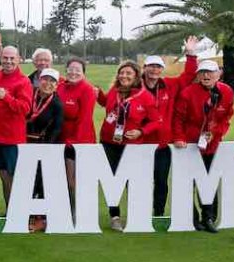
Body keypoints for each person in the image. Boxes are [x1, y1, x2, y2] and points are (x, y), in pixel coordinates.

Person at [172, 60, 234, 233]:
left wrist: (216, 133)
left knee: (209, 181)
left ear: (218, 74)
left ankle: (208, 217)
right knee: (188, 183)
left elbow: (226, 117)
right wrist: (179, 137)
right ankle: (190, 218)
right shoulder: (188, 93)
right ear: (198, 75)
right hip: (189, 145)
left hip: (212, 145)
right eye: (202, 72)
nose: (206, 76)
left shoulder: (227, 91)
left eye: (210, 72)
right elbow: (178, 118)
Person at [139, 38, 199, 217]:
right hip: (140, 144)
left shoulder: (170, 85)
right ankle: (140, 212)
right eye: (151, 66)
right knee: (139, 179)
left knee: (161, 181)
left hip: (163, 144)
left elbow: (188, 76)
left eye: (158, 67)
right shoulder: (136, 87)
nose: (154, 70)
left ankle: (158, 213)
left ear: (161, 69)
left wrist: (191, 54)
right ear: (145, 68)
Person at [98, 61, 160, 231]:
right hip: (108, 143)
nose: (124, 76)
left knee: (130, 182)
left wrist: (141, 131)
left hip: (131, 146)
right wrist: (98, 94)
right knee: (112, 181)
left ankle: (136, 216)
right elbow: (107, 104)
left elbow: (156, 121)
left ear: (136, 77)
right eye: (122, 73)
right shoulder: (114, 92)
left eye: (128, 74)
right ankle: (115, 216)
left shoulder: (145, 96)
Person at [0, 46, 32, 214]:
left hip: (13, 139)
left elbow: (25, 109)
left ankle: (16, 214)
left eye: (12, 58)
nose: (8, 61)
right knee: (3, 178)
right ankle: (10, 214)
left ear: (18, 59)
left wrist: (6, 97)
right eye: (5, 58)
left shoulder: (23, 81)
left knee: (13, 179)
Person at [26, 68, 64, 232]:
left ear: (56, 85)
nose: (48, 84)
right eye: (45, 80)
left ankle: (40, 218)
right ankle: (26, 213)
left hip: (44, 145)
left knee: (40, 182)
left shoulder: (57, 104)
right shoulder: (31, 94)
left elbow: (56, 128)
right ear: (39, 80)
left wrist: (46, 148)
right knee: (27, 180)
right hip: (25, 144)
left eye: (52, 81)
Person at [57, 58, 97, 207]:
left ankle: (78, 211)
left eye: (77, 70)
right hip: (61, 139)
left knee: (74, 180)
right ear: (66, 70)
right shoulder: (60, 87)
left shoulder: (87, 89)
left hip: (80, 141)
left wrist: (73, 141)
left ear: (83, 73)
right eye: (71, 69)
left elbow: (85, 120)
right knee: (63, 179)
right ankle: (66, 209)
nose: (73, 72)